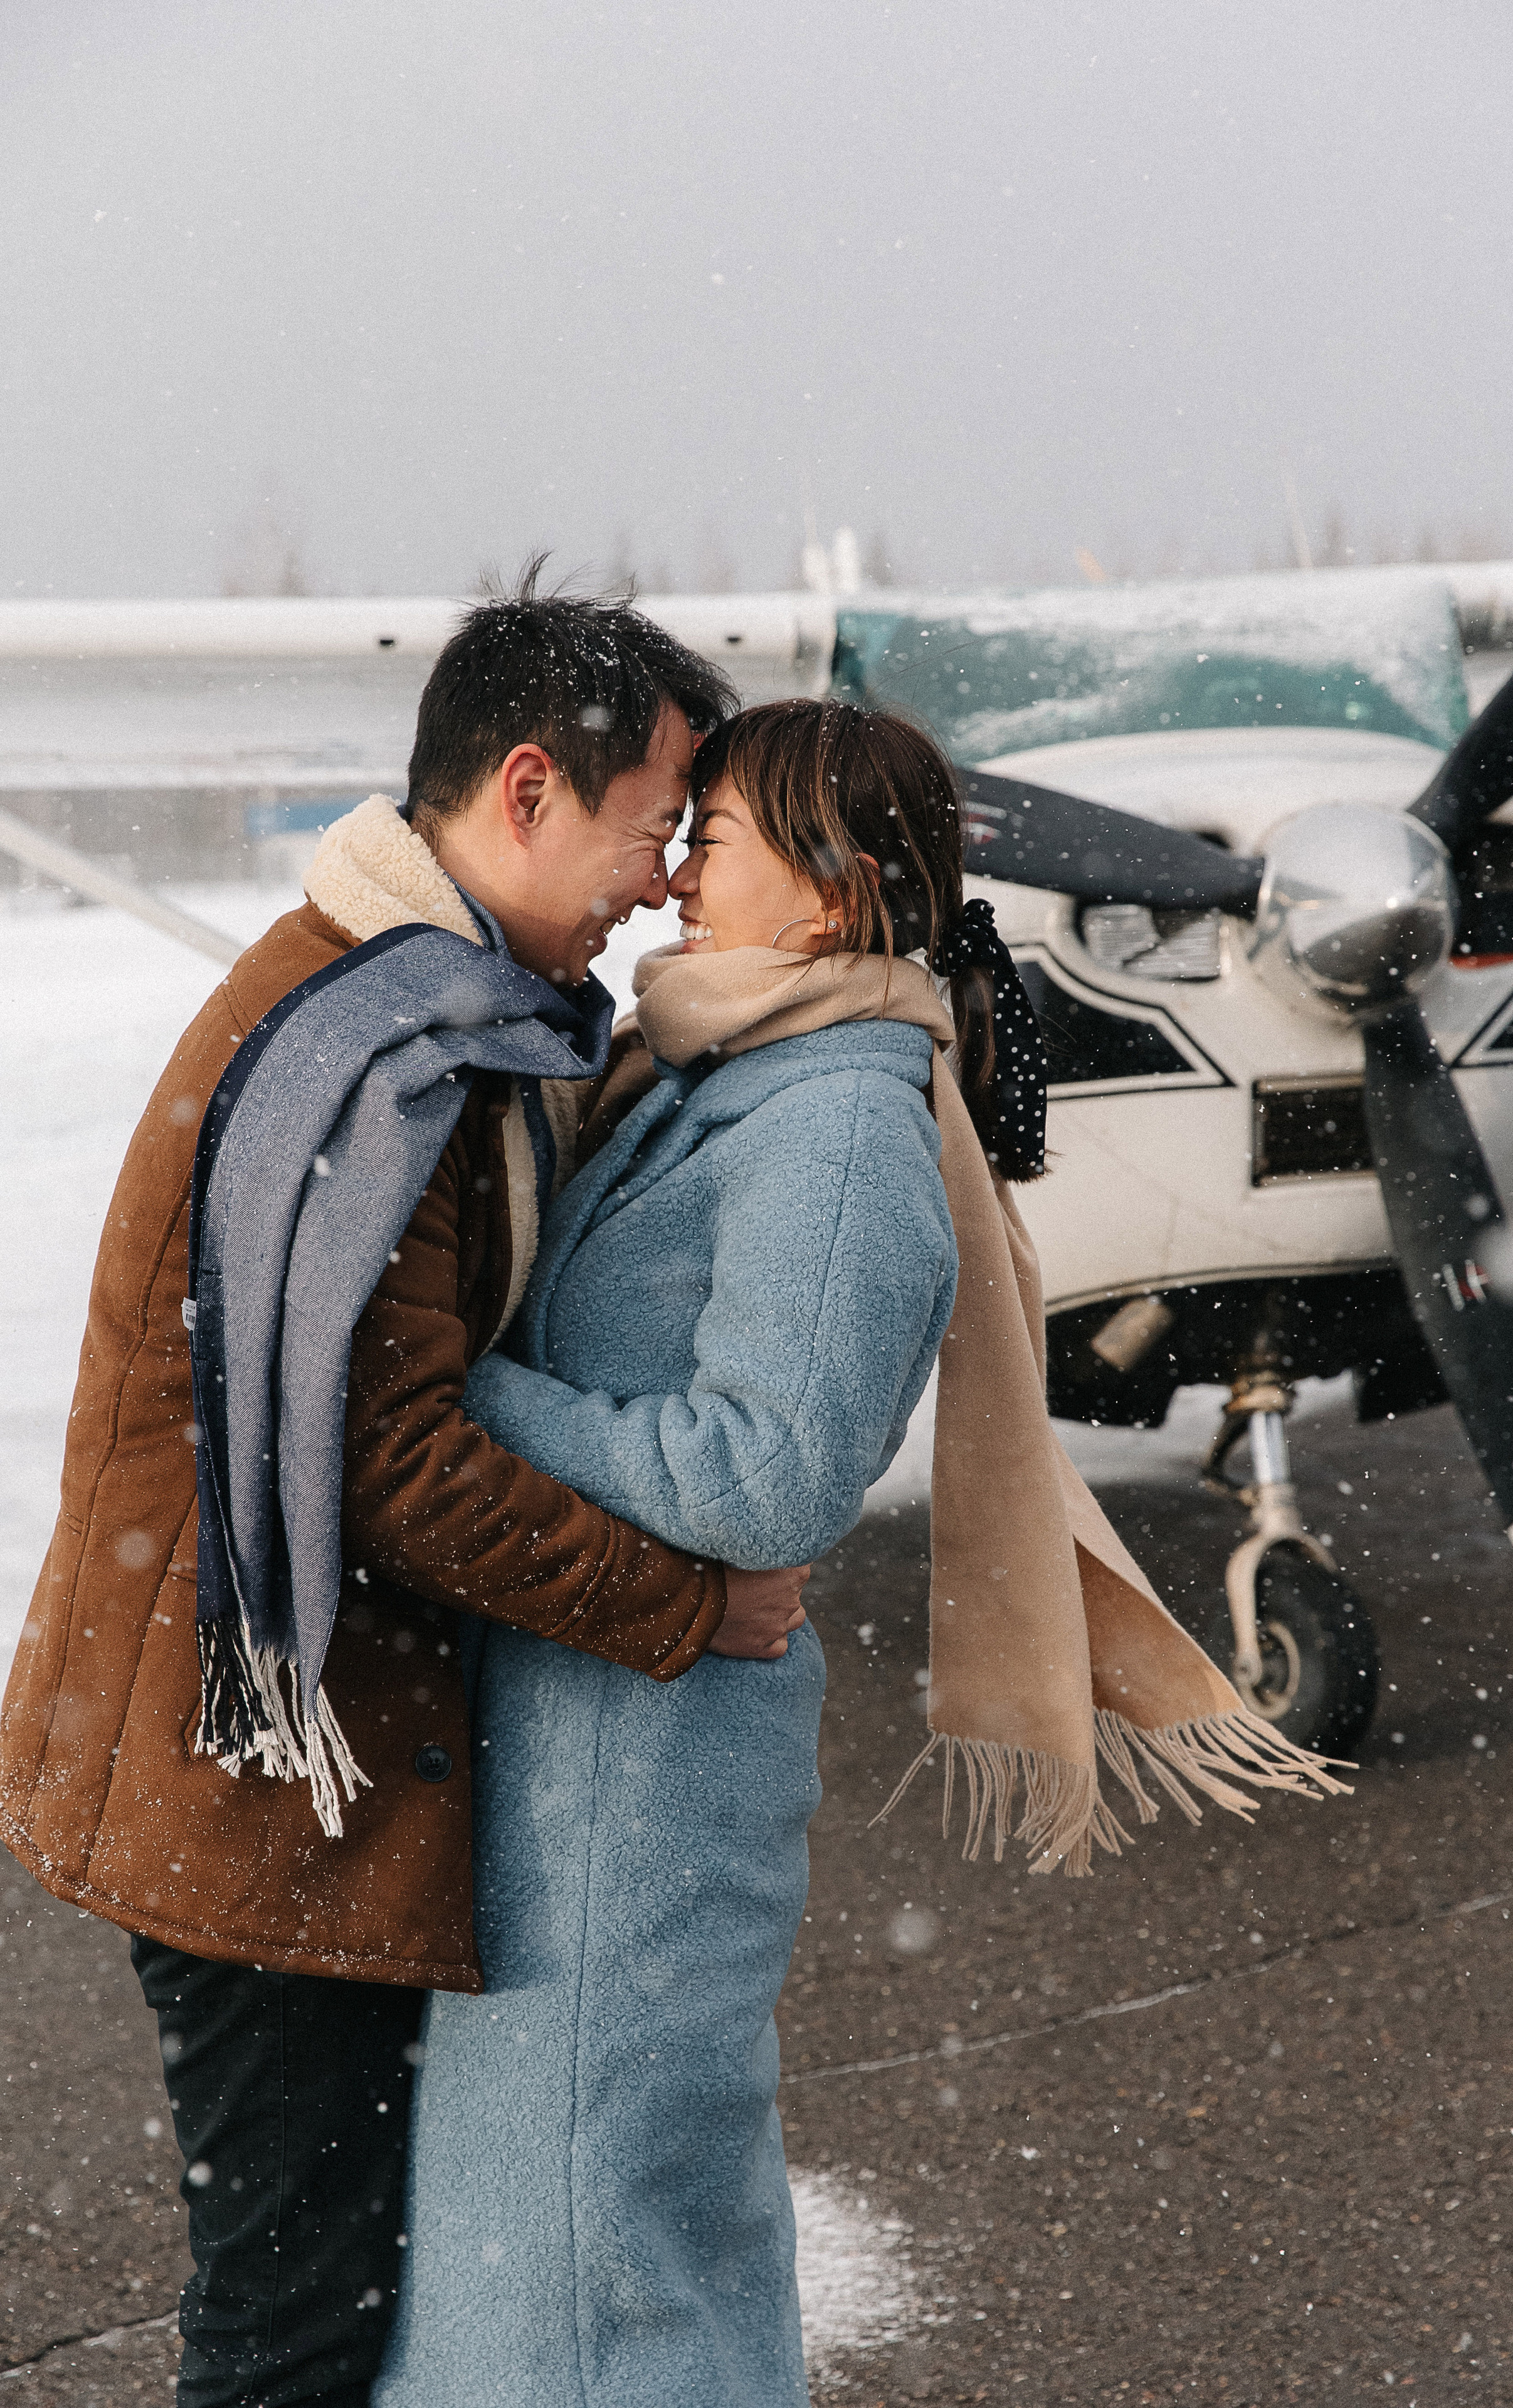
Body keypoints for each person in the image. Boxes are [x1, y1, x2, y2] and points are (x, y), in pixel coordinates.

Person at [376, 700, 1338, 2408]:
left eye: (718, 838)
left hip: (640, 1780)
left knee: (592, 2271)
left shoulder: (832, 1133)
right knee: (613, 2240)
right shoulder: (733, 1071)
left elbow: (766, 1482)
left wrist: (474, 1407)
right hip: (593, 1742)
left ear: (827, 897)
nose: (676, 871)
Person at [0, 568, 808, 2408]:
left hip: (264, 1768)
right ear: (525, 790)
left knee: (321, 2289)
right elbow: (395, 1460)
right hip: (249, 1794)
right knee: (292, 2325)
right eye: (645, 825)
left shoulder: (435, 1002)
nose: (663, 876)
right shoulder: (385, 1053)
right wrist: (688, 1605)